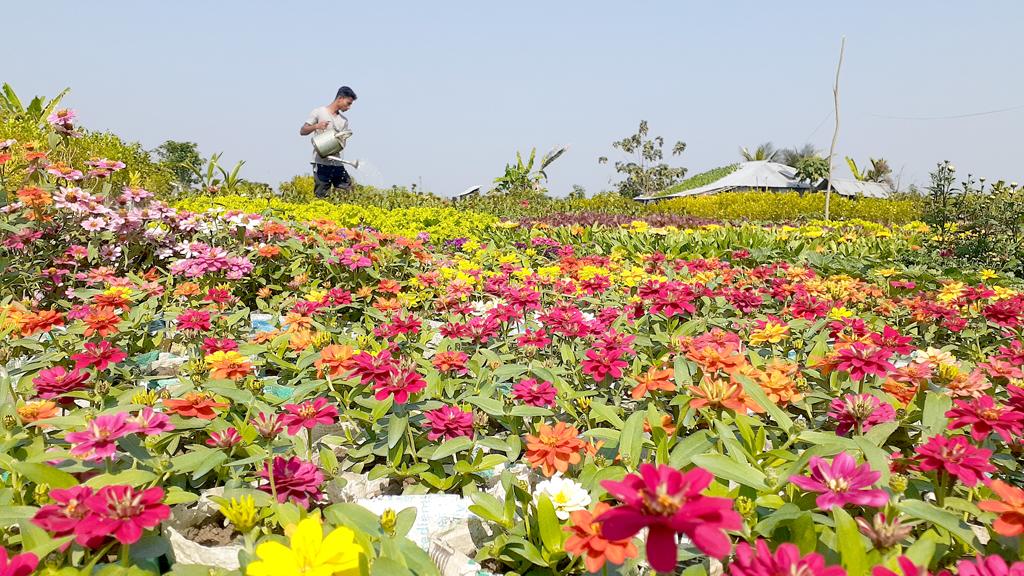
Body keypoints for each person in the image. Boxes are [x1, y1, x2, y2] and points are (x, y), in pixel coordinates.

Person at [300, 86, 357, 198]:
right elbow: (303, 131)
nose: (349, 107)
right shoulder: (319, 112)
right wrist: (317, 126)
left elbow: (342, 143)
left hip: (337, 163)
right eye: (348, 103)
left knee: (348, 191)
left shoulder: (344, 121)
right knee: (321, 196)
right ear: (340, 98)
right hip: (321, 163)